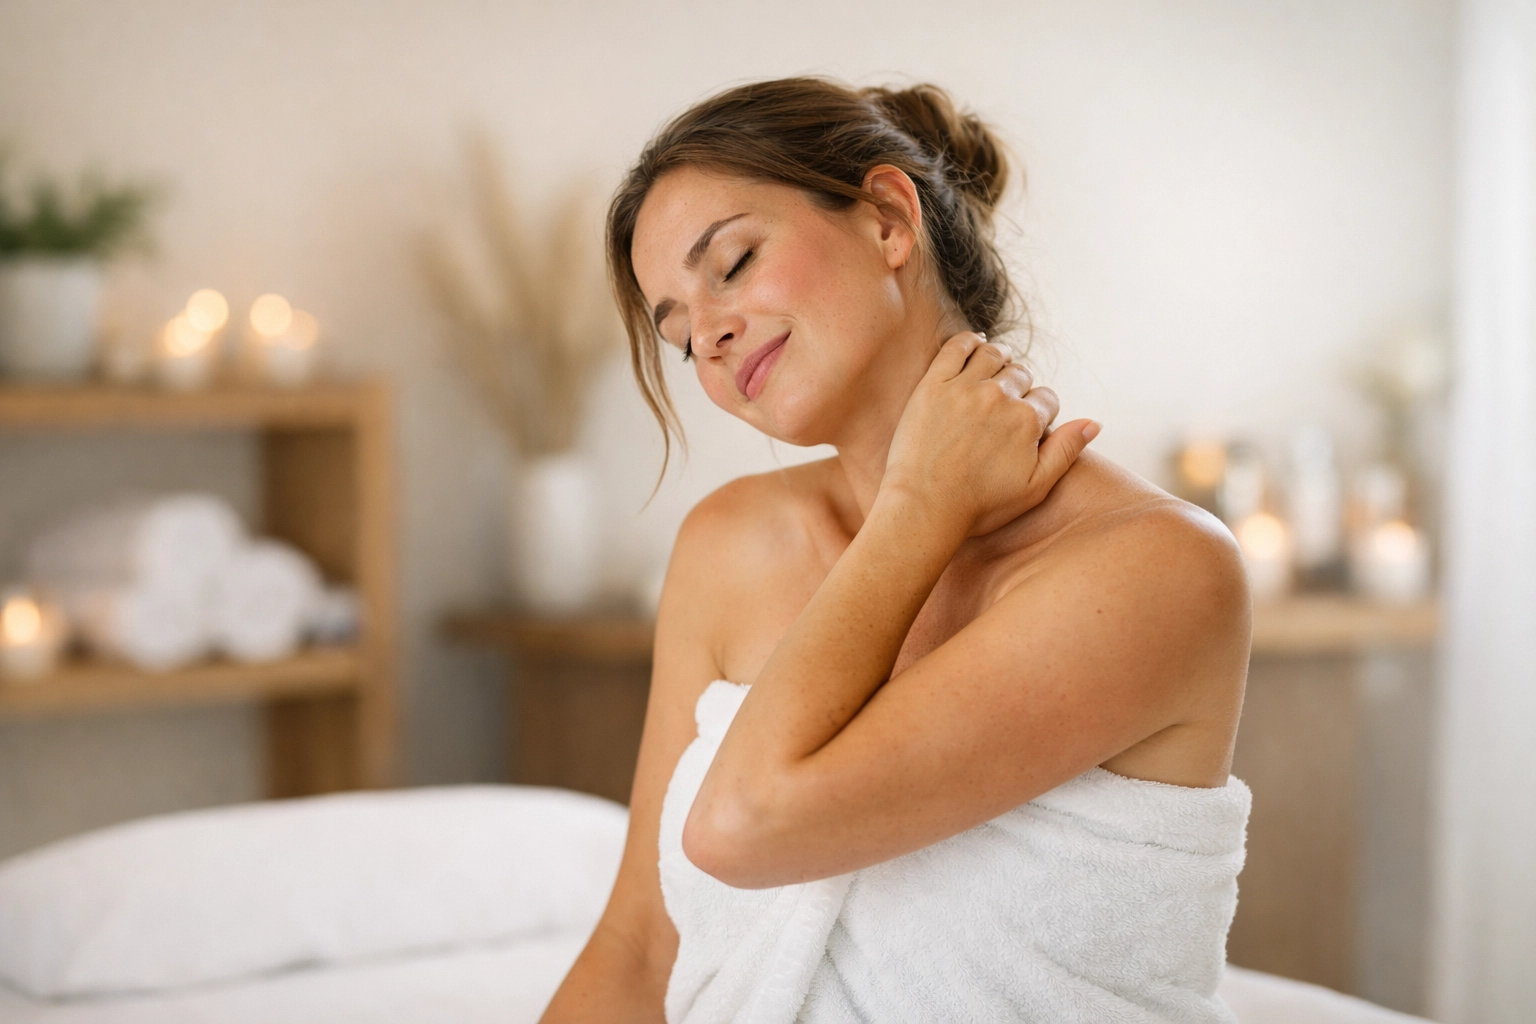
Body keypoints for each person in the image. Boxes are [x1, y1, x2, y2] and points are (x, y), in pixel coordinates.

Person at [540, 77, 1251, 1023]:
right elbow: (638, 950)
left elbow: (744, 825)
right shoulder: (729, 546)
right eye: (677, 333)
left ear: (886, 219)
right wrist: (919, 511)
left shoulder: (1156, 569)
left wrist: (918, 508)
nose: (707, 335)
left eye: (735, 262)